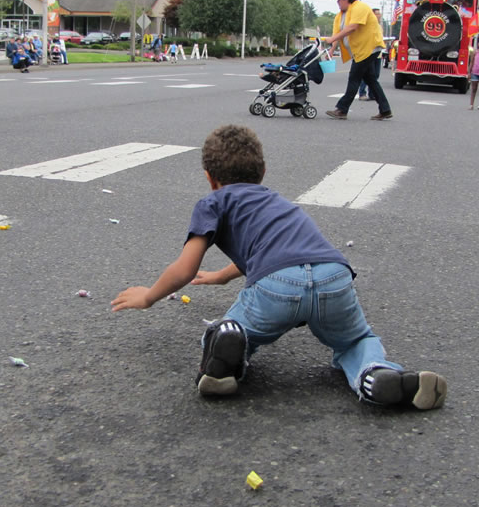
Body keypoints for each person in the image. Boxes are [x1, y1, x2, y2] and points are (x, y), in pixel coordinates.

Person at [111, 124, 448, 408]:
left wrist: (148, 297)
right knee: (356, 340)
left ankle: (227, 348)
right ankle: (374, 375)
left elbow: (184, 269)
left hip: (276, 289)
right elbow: (281, 252)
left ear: (210, 178)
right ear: (262, 172)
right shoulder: (276, 201)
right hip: (333, 276)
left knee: (231, 334)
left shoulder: (212, 201)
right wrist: (220, 276)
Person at [324, 0, 392, 120]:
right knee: (371, 80)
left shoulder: (359, 7)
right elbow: (337, 33)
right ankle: (385, 109)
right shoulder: (339, 16)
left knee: (354, 77)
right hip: (359, 51)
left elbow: (353, 27)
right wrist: (331, 49)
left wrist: (332, 39)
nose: (337, 3)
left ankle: (342, 109)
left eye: (339, 0)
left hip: (368, 48)